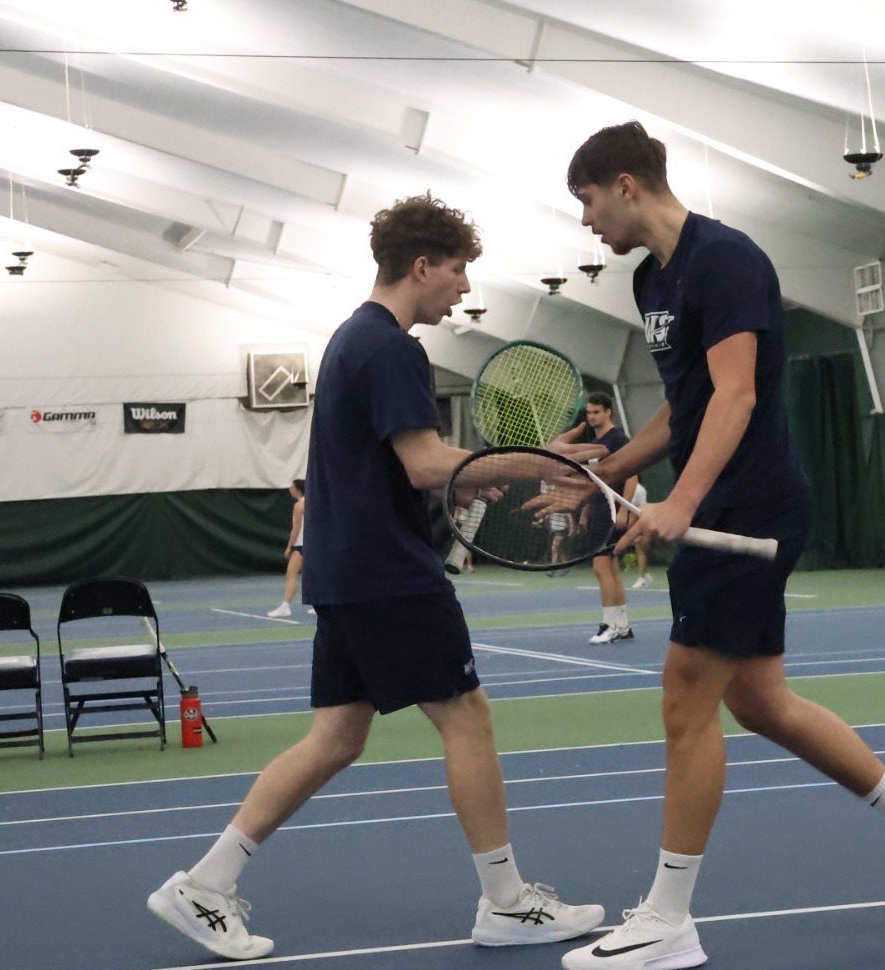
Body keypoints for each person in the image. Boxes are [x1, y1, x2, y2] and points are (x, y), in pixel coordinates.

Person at [558, 123, 885, 969]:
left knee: (685, 698)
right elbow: (684, 404)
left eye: (589, 202)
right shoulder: (650, 282)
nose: (587, 223)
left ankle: (669, 919)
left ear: (627, 185)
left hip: (748, 509)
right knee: (758, 701)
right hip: (723, 502)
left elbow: (737, 396)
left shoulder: (729, 260)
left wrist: (681, 498)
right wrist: (607, 467)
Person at [148, 193, 602, 961]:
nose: (463, 289)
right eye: (456, 272)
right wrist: (542, 464)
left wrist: (470, 479)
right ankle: (505, 901)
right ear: (420, 265)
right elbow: (425, 462)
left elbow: (400, 468)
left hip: (344, 567)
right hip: (387, 572)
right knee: (467, 718)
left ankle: (203, 884)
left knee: (335, 737)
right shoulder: (392, 347)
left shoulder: (351, 340)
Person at [580, 392, 637, 644]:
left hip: (613, 513)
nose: (591, 417)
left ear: (608, 412)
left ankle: (609, 624)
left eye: (595, 412)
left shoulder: (618, 440)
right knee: (611, 567)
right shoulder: (595, 442)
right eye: (588, 412)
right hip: (598, 511)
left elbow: (633, 474)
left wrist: (624, 510)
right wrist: (585, 511)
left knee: (600, 567)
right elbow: (595, 482)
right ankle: (622, 625)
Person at [267, 480, 305, 617]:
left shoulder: (299, 505)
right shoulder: (315, 502)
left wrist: (289, 546)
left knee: (291, 574)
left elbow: (296, 528)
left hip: (302, 545)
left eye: (292, 487)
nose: (290, 489)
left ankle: (285, 606)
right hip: (314, 544)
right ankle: (319, 604)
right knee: (314, 575)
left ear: (298, 490)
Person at [628, 480, 652, 589]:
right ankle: (646, 574)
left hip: (639, 523)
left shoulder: (640, 490)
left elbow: (643, 510)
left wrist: (638, 527)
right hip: (625, 524)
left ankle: (642, 579)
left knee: (640, 550)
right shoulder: (623, 487)